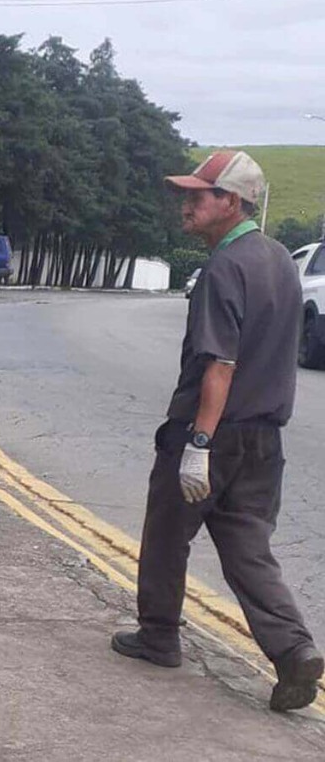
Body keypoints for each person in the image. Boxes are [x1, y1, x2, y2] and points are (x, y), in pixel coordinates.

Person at [111, 150, 322, 712]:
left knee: (166, 534)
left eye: (198, 196)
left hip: (213, 432)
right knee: (249, 548)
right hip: (264, 439)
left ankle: (159, 637)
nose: (186, 204)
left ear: (231, 202)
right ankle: (294, 650)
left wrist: (198, 445)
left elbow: (220, 364)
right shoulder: (280, 260)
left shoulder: (224, 268)